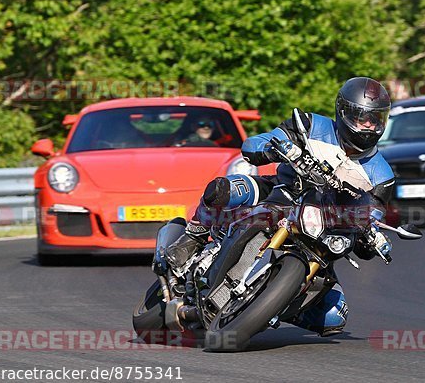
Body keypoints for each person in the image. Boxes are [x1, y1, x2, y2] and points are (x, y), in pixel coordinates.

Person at [162, 77, 395, 336]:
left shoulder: (382, 174)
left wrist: (371, 237)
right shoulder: (309, 125)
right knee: (224, 189)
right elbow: (254, 144)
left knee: (334, 316)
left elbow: (372, 215)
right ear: (343, 112)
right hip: (280, 192)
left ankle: (268, 304)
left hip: (323, 230)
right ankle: (192, 237)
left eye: (376, 119)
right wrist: (272, 150)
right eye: (362, 118)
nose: (369, 126)